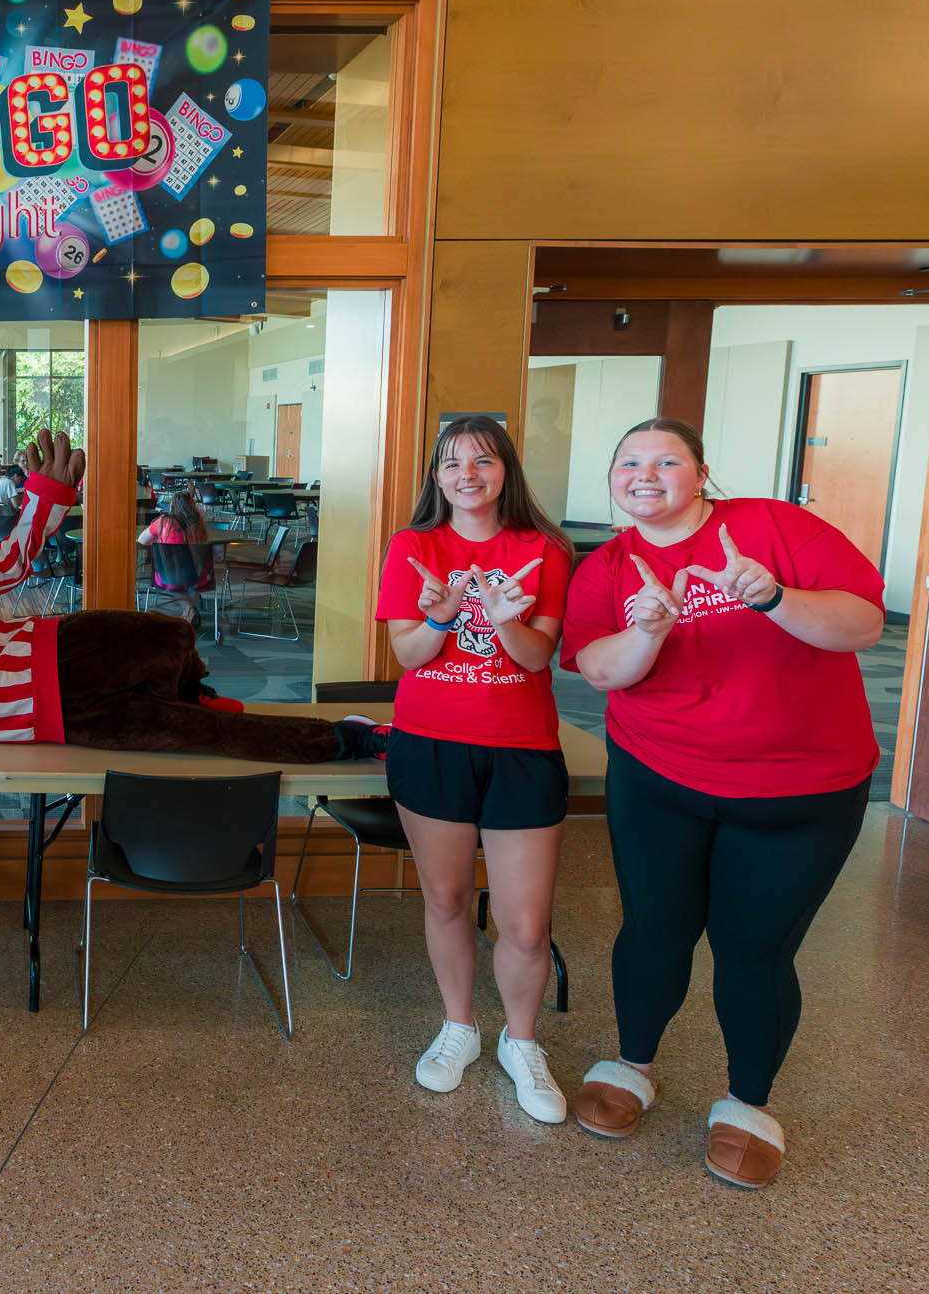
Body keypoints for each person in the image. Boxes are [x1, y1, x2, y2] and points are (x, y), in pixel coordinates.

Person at [561, 418, 883, 1189]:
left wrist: (774, 596)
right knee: (653, 931)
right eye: (629, 461)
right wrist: (651, 635)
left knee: (754, 949)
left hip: (801, 789)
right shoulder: (607, 566)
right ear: (613, 478)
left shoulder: (773, 525)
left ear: (701, 473)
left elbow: (864, 624)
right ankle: (632, 1063)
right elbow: (601, 671)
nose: (646, 474)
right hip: (658, 779)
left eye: (666, 460)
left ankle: (747, 1103)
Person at [373, 415, 575, 1125]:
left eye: (483, 461)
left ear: (505, 471)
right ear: (437, 476)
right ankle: (459, 1026)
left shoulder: (544, 549)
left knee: (525, 924)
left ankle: (523, 1045)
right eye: (452, 463)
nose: (467, 474)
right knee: (447, 899)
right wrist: (445, 615)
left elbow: (533, 657)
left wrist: (502, 616)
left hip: (523, 749)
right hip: (431, 742)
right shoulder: (414, 546)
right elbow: (407, 655)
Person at [138, 489, 216, 622]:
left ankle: (189, 609)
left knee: (173, 578)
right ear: (192, 507)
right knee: (191, 576)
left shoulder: (164, 522)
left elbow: (141, 540)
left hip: (167, 576)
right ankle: (188, 609)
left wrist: (159, 546)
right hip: (198, 578)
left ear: (172, 505)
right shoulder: (198, 526)